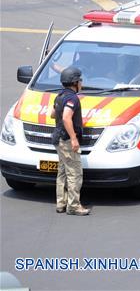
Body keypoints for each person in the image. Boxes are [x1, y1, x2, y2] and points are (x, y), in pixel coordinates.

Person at [52, 67, 91, 216]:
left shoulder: (59, 96)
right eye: (80, 80)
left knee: (62, 172)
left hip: (57, 138)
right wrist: (74, 138)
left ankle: (61, 203)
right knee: (74, 173)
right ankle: (74, 206)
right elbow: (66, 117)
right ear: (75, 82)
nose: (81, 83)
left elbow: (52, 114)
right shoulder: (73, 98)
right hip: (67, 140)